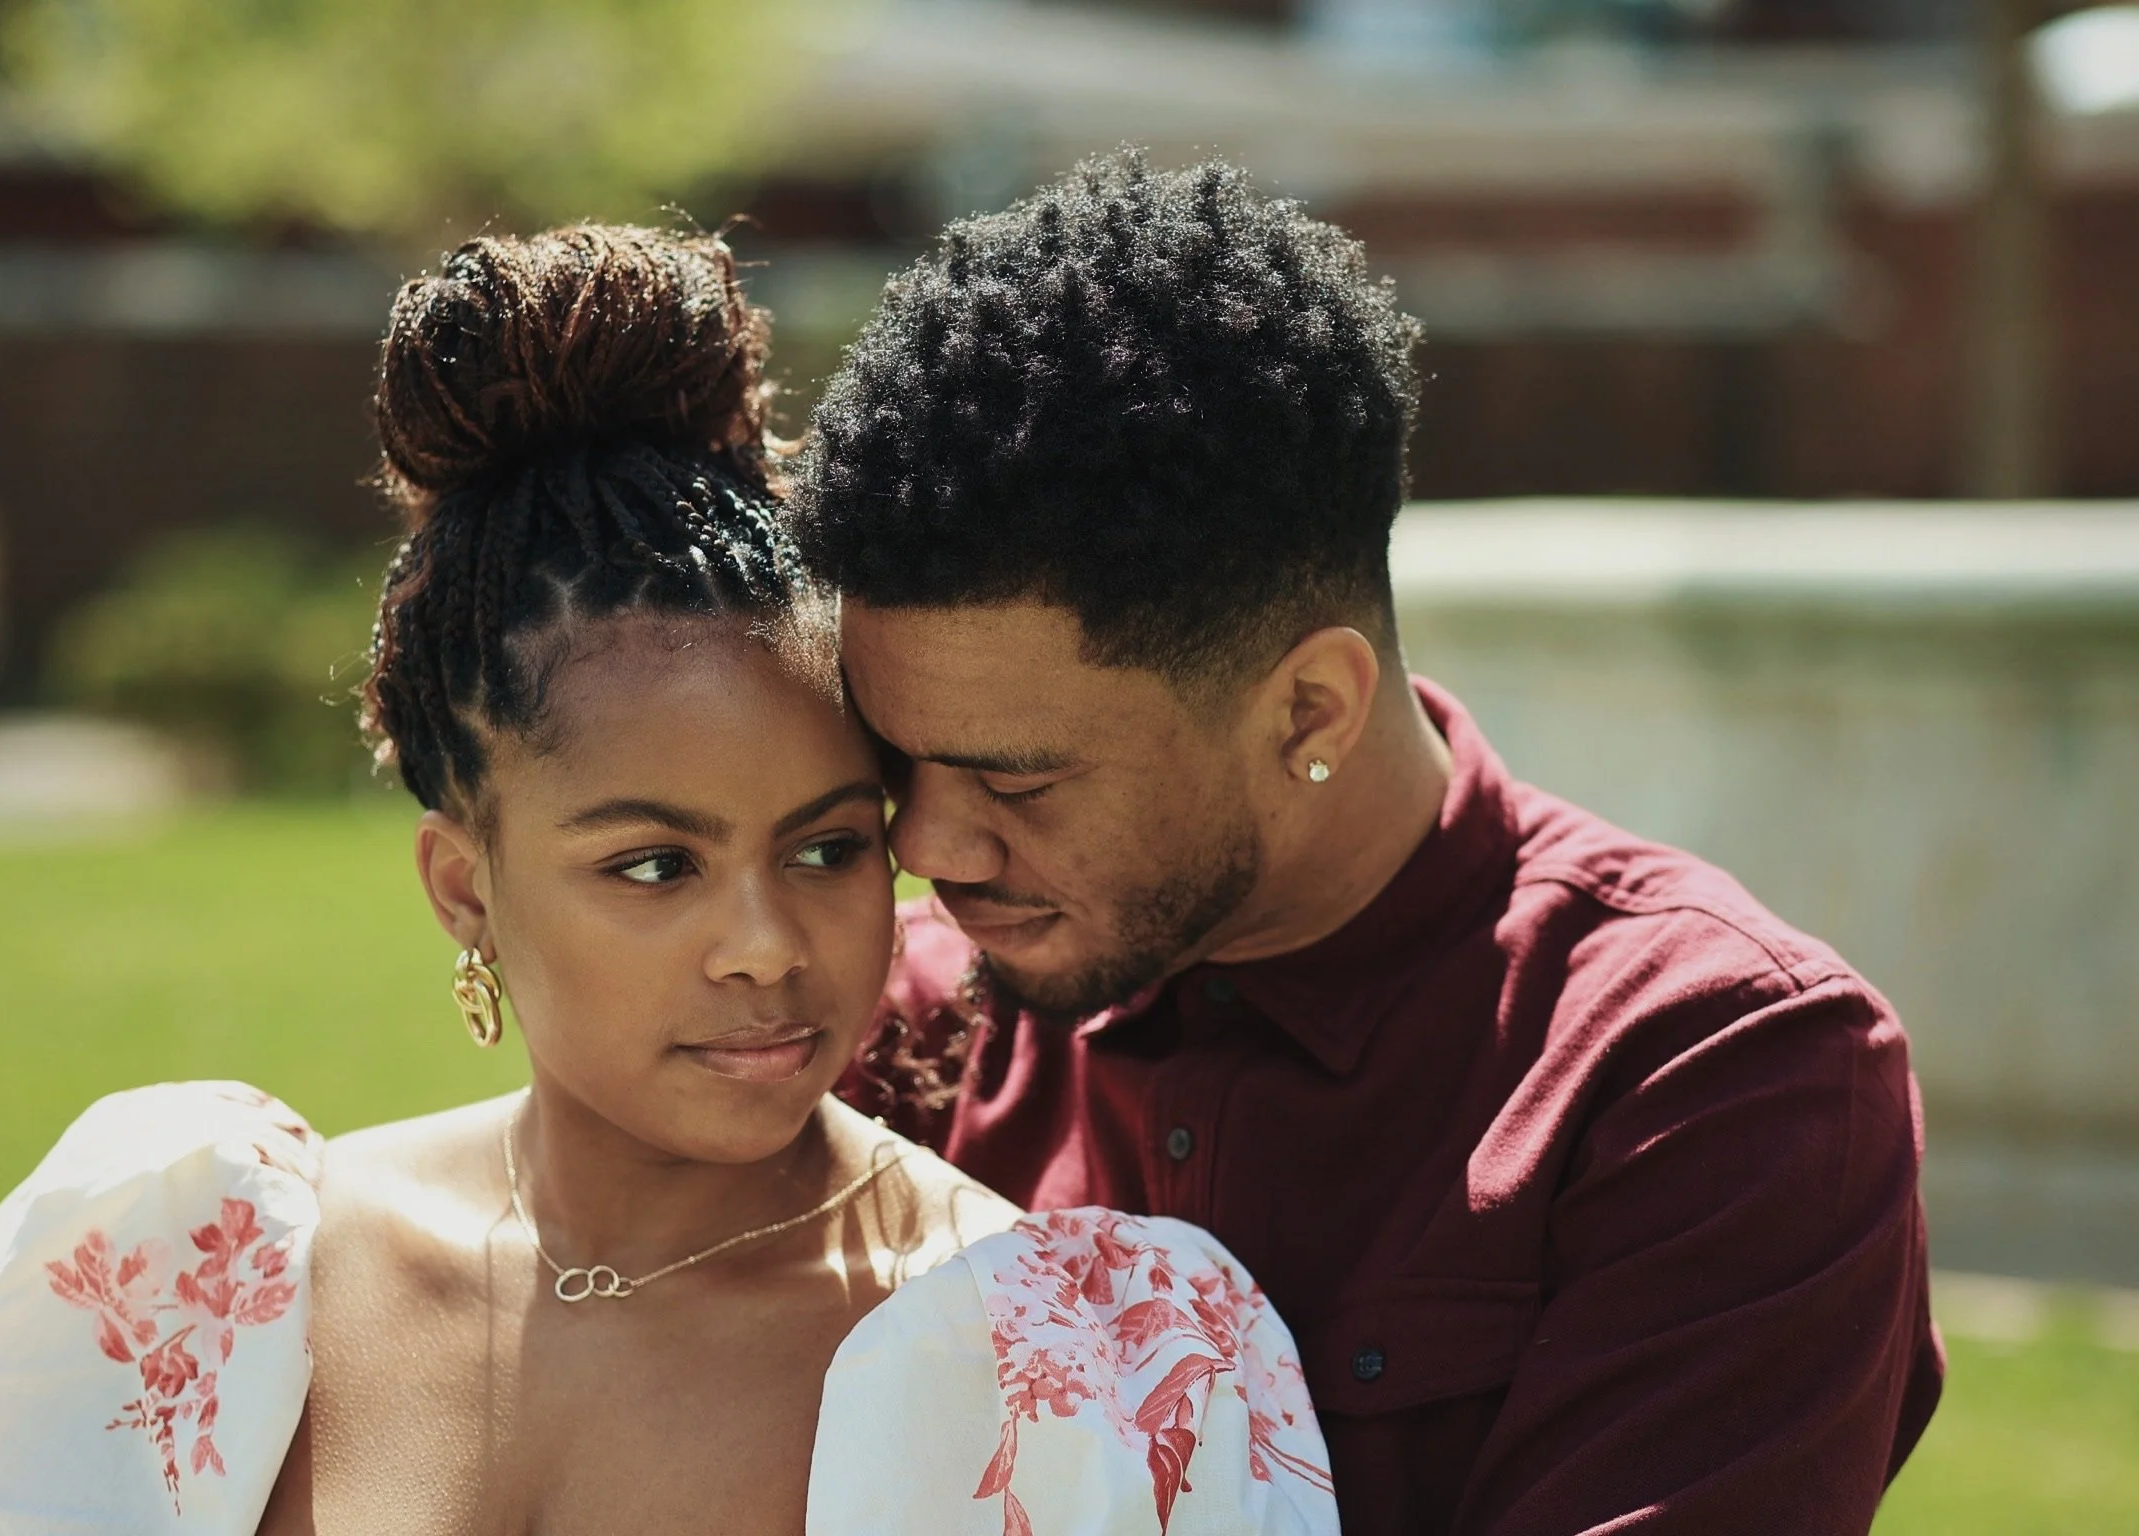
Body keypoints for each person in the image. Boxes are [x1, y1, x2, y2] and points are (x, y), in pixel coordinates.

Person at [0, 225, 1338, 1536]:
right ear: (463, 887)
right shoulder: (194, 1266)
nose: (766, 947)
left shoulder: (1098, 1368)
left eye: (829, 847)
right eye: (653, 864)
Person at [797, 153, 1945, 1535]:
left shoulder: (1717, 1078)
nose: (928, 846)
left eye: (1017, 782)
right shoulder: (892, 1037)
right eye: (897, 760)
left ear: (1308, 709)